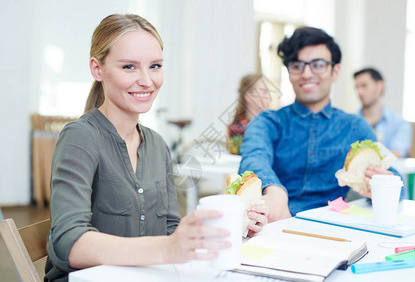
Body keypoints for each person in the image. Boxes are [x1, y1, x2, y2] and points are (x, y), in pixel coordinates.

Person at [45, 14, 268, 282]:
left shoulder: (157, 146)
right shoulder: (80, 138)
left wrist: (236, 226)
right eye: (129, 67)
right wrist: (165, 249)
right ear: (97, 69)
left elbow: (170, 230)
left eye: (155, 66)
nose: (147, 80)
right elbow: (68, 243)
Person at [238, 27, 399, 222]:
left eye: (318, 64)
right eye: (297, 65)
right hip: (276, 222)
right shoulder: (267, 122)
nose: (306, 74)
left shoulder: (355, 126)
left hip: (335, 228)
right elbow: (254, 158)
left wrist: (385, 184)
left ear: (335, 71)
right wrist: (274, 191)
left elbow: (395, 180)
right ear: (289, 73)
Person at [353, 67, 412, 158]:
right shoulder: (350, 123)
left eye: (364, 86)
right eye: (357, 87)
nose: (359, 92)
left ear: (380, 86)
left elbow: (398, 153)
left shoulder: (399, 123)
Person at [228, 74, 271, 154]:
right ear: (249, 97)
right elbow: (242, 152)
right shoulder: (236, 129)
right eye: (264, 92)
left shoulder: (272, 125)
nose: (269, 97)